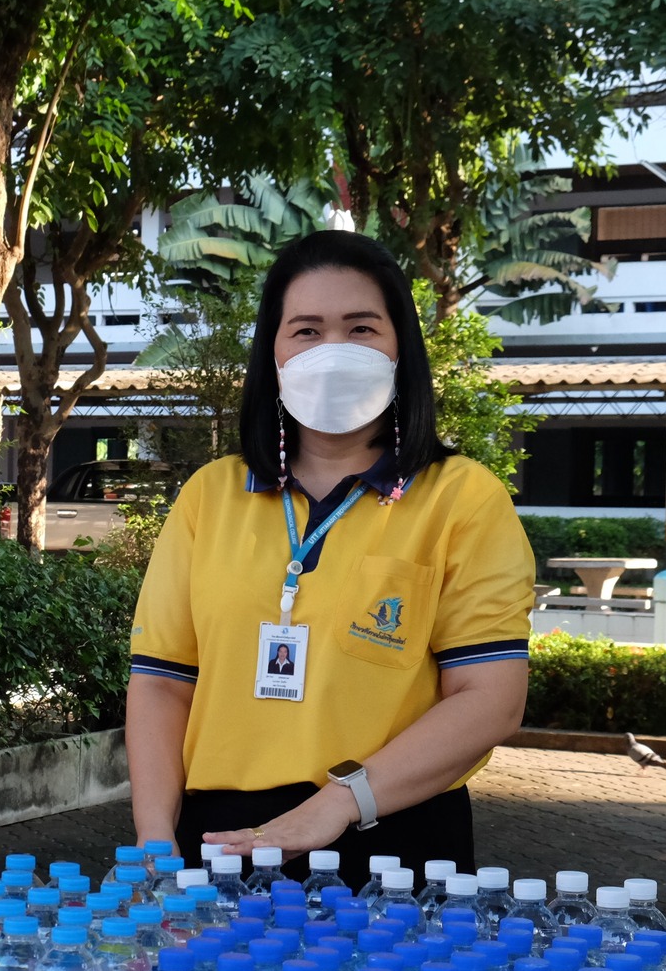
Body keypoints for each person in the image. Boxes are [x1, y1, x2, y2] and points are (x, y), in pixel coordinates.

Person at [125, 231, 533, 888]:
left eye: (361, 328)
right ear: (275, 352)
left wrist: (335, 805)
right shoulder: (211, 496)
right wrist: (153, 842)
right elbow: (162, 684)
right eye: (307, 330)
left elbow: (490, 700)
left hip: (395, 846)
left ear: (401, 346)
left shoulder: (461, 499)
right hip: (222, 846)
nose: (333, 351)